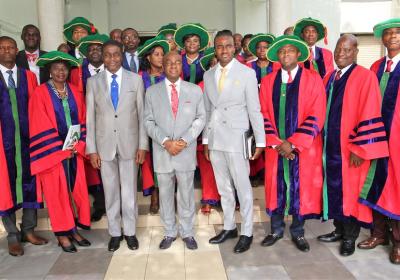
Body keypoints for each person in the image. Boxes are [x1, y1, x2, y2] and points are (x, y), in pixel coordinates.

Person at [317, 34, 389, 256]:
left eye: (347, 50)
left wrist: (361, 148)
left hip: (350, 150)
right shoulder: (330, 76)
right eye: (339, 49)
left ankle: (350, 236)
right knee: (334, 189)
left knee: (350, 193)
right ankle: (338, 229)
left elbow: (370, 113)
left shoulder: (365, 77)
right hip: (330, 148)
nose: (341, 54)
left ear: (356, 52)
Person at [259, 35, 326, 252]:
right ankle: (276, 230)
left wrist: (294, 143)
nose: (285, 54)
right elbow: (262, 113)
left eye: (290, 50)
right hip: (275, 148)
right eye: (281, 51)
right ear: (277, 56)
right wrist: (278, 143)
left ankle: (298, 231)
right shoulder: (268, 81)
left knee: (301, 187)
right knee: (275, 188)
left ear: (298, 53)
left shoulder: (313, 78)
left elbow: (318, 113)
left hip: (303, 149)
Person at [203, 30, 265, 253]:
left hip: (237, 137)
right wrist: (206, 141)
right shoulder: (208, 75)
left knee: (242, 186)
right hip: (217, 138)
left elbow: (254, 109)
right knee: (224, 188)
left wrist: (260, 141)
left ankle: (247, 231)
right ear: (215, 49)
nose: (224, 50)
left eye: (228, 45)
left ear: (235, 47)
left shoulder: (247, 73)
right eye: (219, 46)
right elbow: (209, 110)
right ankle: (229, 226)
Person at [86, 40, 148, 252]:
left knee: (129, 191)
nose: (112, 59)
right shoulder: (93, 82)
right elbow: (90, 119)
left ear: (121, 56)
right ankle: (114, 232)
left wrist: (142, 145)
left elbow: (142, 115)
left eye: (115, 55)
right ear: (102, 57)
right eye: (107, 55)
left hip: (130, 144)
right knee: (110, 191)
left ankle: (130, 232)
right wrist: (91, 149)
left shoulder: (136, 80)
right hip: (104, 147)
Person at [30, 51, 91, 253]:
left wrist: (77, 145)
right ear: (49, 71)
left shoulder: (75, 91)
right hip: (53, 154)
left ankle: (73, 229)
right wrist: (60, 149)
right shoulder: (40, 93)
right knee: (57, 194)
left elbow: (82, 119)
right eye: (56, 68)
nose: (60, 72)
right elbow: (39, 123)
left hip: (73, 152)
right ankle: (62, 234)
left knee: (74, 190)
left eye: (64, 68)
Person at [144, 51, 206, 250]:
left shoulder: (195, 90)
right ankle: (170, 231)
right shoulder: (152, 92)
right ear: (162, 65)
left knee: (186, 194)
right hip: (163, 152)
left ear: (182, 66)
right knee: (165, 194)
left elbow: (200, 118)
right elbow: (148, 121)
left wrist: (184, 141)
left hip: (185, 152)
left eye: (177, 63)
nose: (172, 66)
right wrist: (165, 142)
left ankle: (187, 232)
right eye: (168, 63)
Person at [357, 18, 400, 264]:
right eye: (388, 33)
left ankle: (398, 242)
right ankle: (379, 234)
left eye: (397, 33)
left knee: (396, 188)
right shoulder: (375, 66)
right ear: (382, 39)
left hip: (397, 140)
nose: (393, 36)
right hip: (374, 138)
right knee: (374, 183)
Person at [0, 36, 48, 257]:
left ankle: (28, 230)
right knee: (4, 188)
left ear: (16, 50)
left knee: (31, 183)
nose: (7, 50)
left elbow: (37, 107)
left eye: (10, 47)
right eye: (2, 48)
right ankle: (11, 235)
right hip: (3, 144)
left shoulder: (28, 77)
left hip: (28, 142)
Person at [70, 34, 109, 222]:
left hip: (111, 127)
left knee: (111, 165)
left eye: (98, 48)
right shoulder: (78, 72)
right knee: (94, 168)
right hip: (88, 124)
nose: (95, 51)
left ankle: (113, 204)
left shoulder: (114, 69)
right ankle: (100, 205)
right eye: (91, 49)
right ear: (86, 53)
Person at [137, 36, 170, 214]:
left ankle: (167, 196)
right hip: (147, 124)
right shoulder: (139, 77)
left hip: (166, 125)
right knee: (150, 162)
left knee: (166, 161)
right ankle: (154, 196)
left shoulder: (169, 76)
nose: (160, 57)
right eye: (156, 54)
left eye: (162, 54)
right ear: (148, 57)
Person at [197, 47, 220, 214]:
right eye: (212, 64)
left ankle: (232, 198)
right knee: (207, 165)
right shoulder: (201, 85)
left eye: (218, 62)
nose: (216, 66)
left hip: (229, 133)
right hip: (206, 132)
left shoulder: (235, 81)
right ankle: (209, 198)